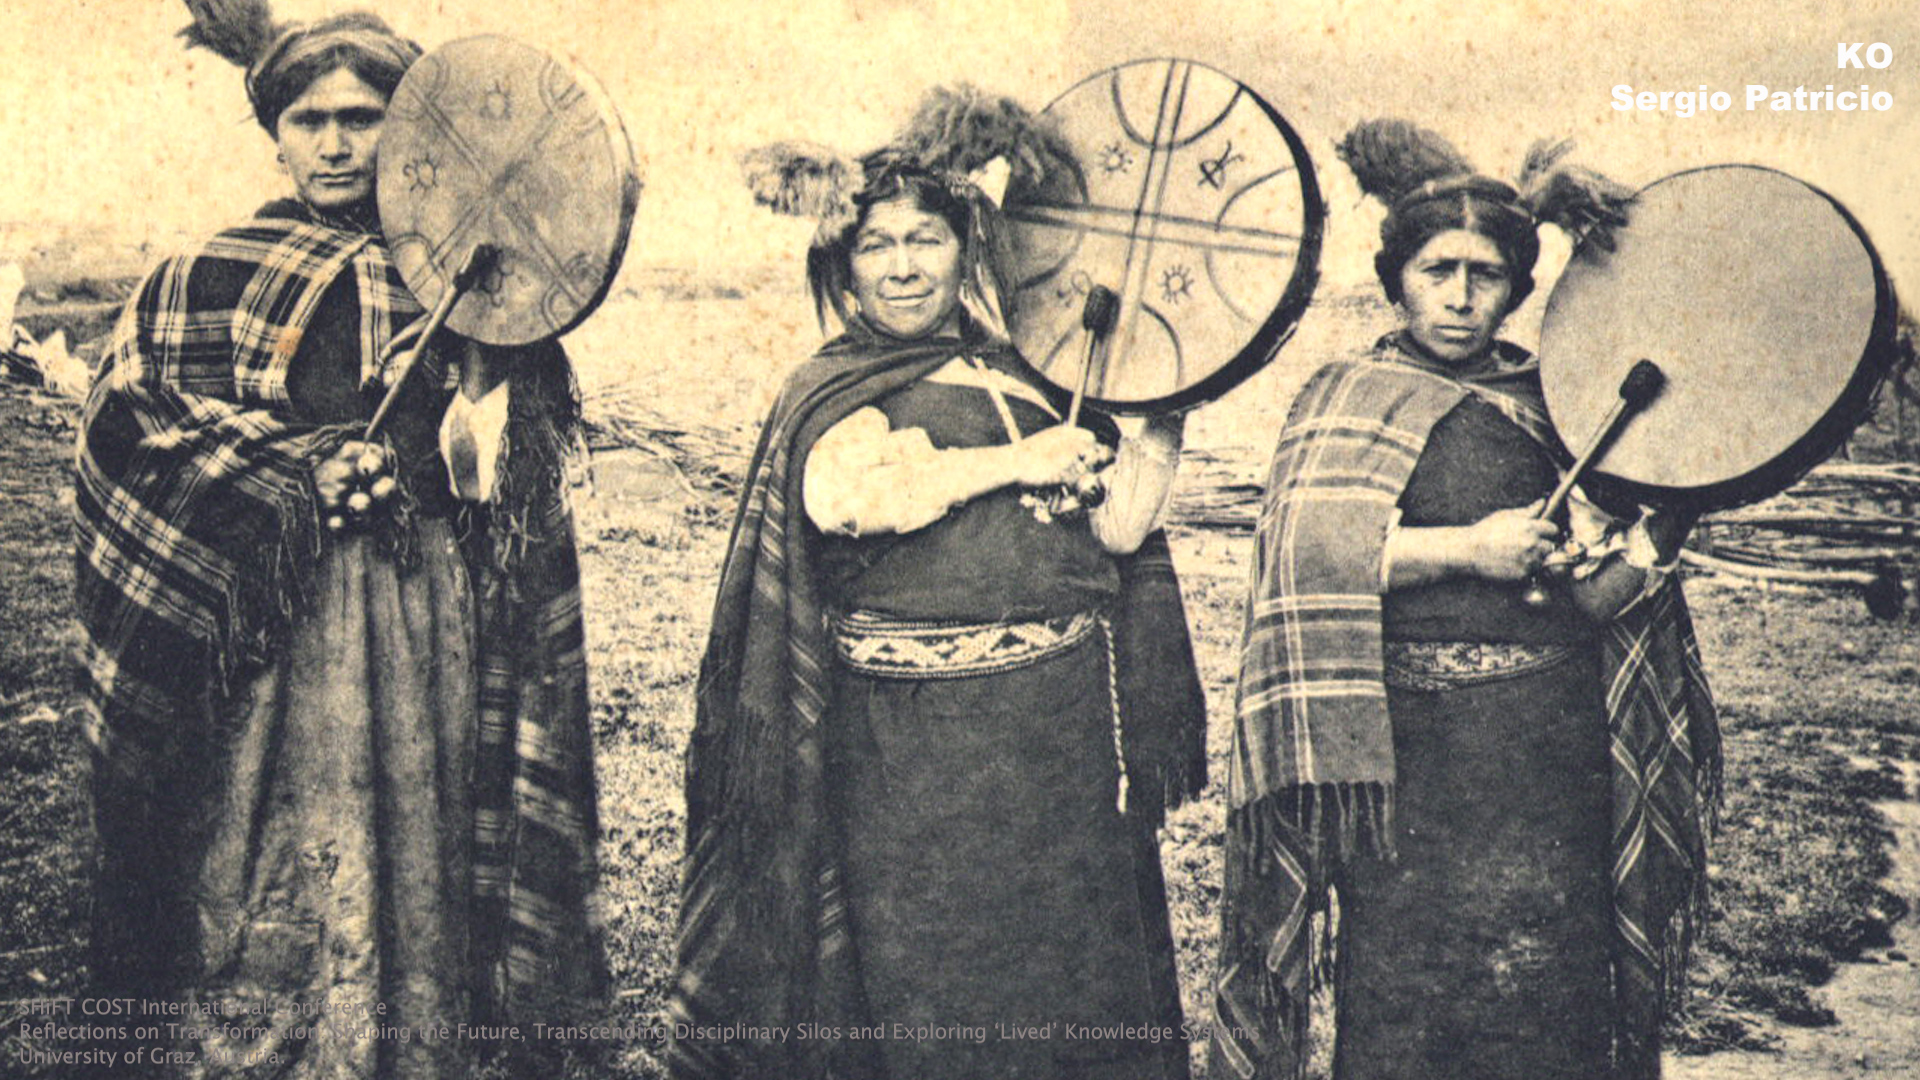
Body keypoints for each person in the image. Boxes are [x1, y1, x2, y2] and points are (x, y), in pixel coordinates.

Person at [75, 6, 604, 1075]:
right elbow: (128, 436)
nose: (332, 145)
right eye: (308, 120)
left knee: (420, 848)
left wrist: (476, 389)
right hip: (267, 641)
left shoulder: (469, 283)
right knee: (259, 858)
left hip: (420, 623)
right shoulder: (200, 276)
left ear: (402, 133)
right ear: (274, 136)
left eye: (360, 119)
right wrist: (297, 475)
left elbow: (501, 482)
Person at [670, 89, 1208, 1080]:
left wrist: (1164, 412)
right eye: (876, 245)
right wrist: (1017, 462)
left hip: (1054, 739)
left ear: (968, 249)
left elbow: (1119, 531)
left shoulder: (1028, 376)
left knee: (1062, 982)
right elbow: (850, 499)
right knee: (934, 987)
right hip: (912, 748)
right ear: (843, 264)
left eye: (926, 239)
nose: (905, 266)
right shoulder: (832, 387)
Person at [1211, 120, 1721, 1080]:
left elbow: (1593, 601)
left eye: (1485, 275)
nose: (1458, 295)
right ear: (1395, 279)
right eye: (1436, 270)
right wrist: (1468, 551)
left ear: (1519, 289)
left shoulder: (1562, 406)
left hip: (1545, 748)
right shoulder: (1344, 395)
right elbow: (1303, 560)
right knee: (1406, 988)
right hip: (1407, 758)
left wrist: (1667, 526)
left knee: (1549, 980)